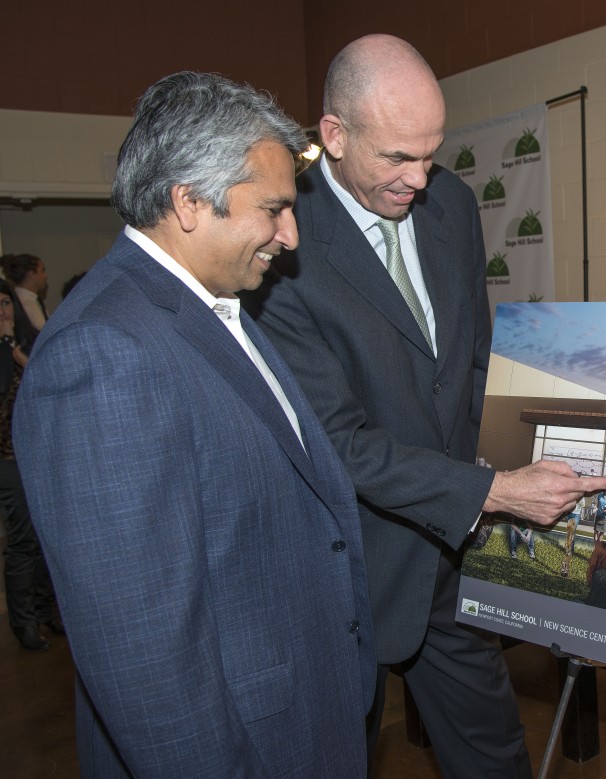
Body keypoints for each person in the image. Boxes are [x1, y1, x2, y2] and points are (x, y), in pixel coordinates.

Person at [242, 35, 606, 778]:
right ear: (335, 134)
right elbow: (340, 442)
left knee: (493, 751)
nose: (419, 177)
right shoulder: (283, 242)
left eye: (431, 152)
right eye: (395, 158)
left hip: (449, 548)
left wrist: (524, 450)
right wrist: (497, 492)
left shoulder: (451, 203)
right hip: (345, 568)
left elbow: (471, 362)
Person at [12, 72, 376, 777]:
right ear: (187, 202)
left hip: (302, 720)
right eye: (272, 208)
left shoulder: (216, 307)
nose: (290, 234)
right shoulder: (103, 353)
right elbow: (146, 656)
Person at [0, 282, 61, 651]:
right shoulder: (7, 350)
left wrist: (17, 349)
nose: (3, 310)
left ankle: (46, 612)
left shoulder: (31, 340)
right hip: (6, 456)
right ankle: (24, 623)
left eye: (6, 302)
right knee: (22, 540)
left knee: (44, 536)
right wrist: (6, 348)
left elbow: (48, 382)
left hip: (38, 453)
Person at [0, 254, 45, 352]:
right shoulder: (28, 304)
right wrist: (7, 342)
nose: (1, 312)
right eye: (42, 271)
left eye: (5, 303)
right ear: (31, 274)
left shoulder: (28, 338)